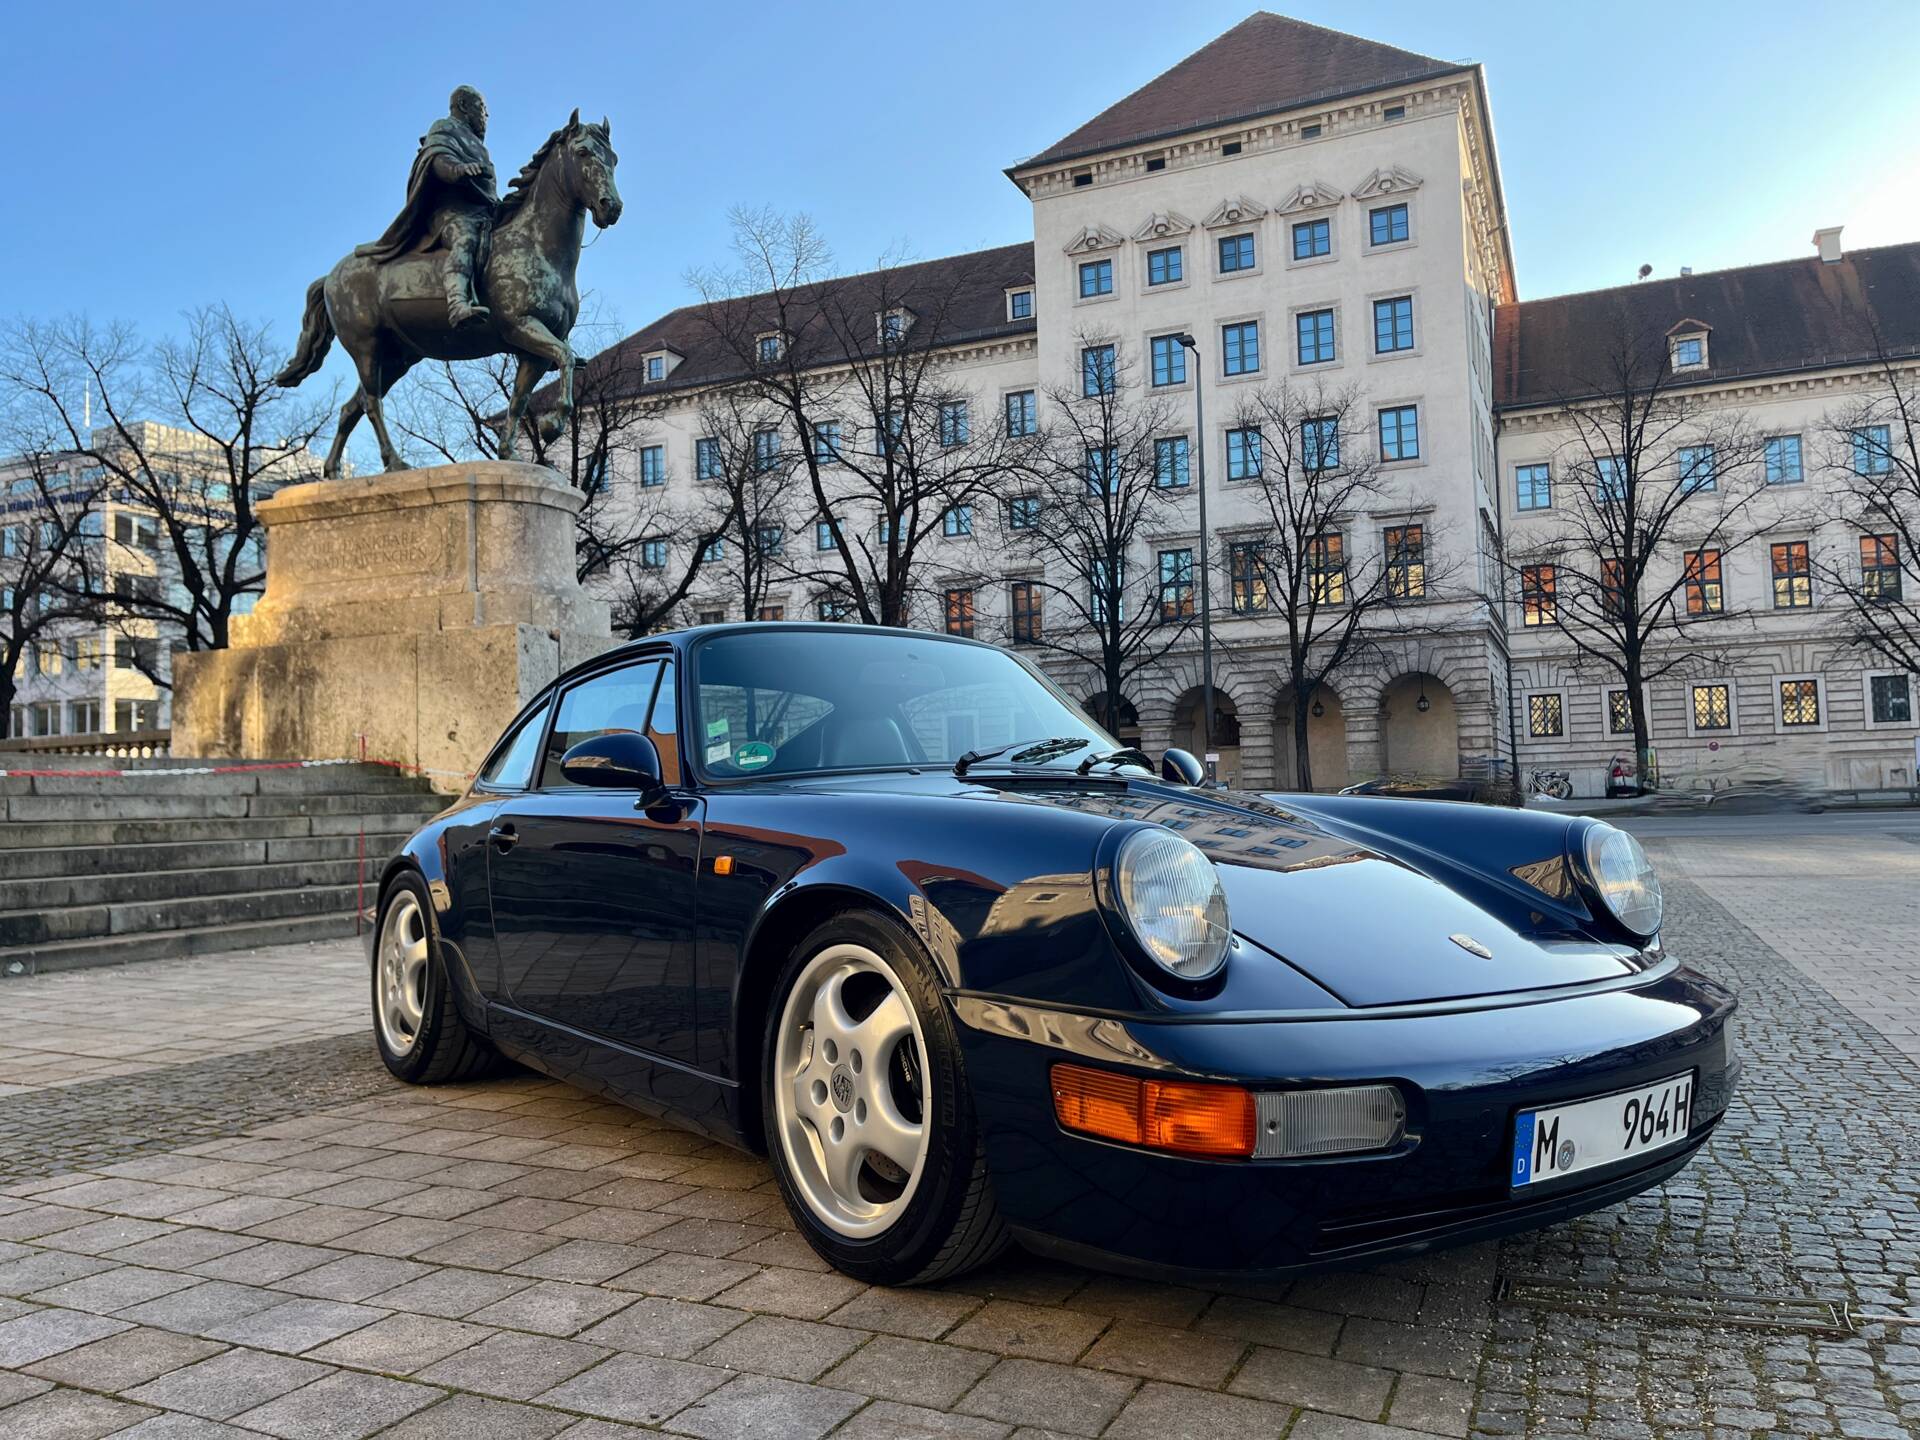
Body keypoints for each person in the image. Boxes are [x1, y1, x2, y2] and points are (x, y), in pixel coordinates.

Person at [357, 86, 498, 327]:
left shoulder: (478, 146)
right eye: (482, 108)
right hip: (450, 214)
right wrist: (458, 169)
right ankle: (457, 303)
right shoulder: (444, 127)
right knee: (465, 239)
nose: (486, 115)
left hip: (483, 213)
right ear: (463, 105)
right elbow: (436, 159)